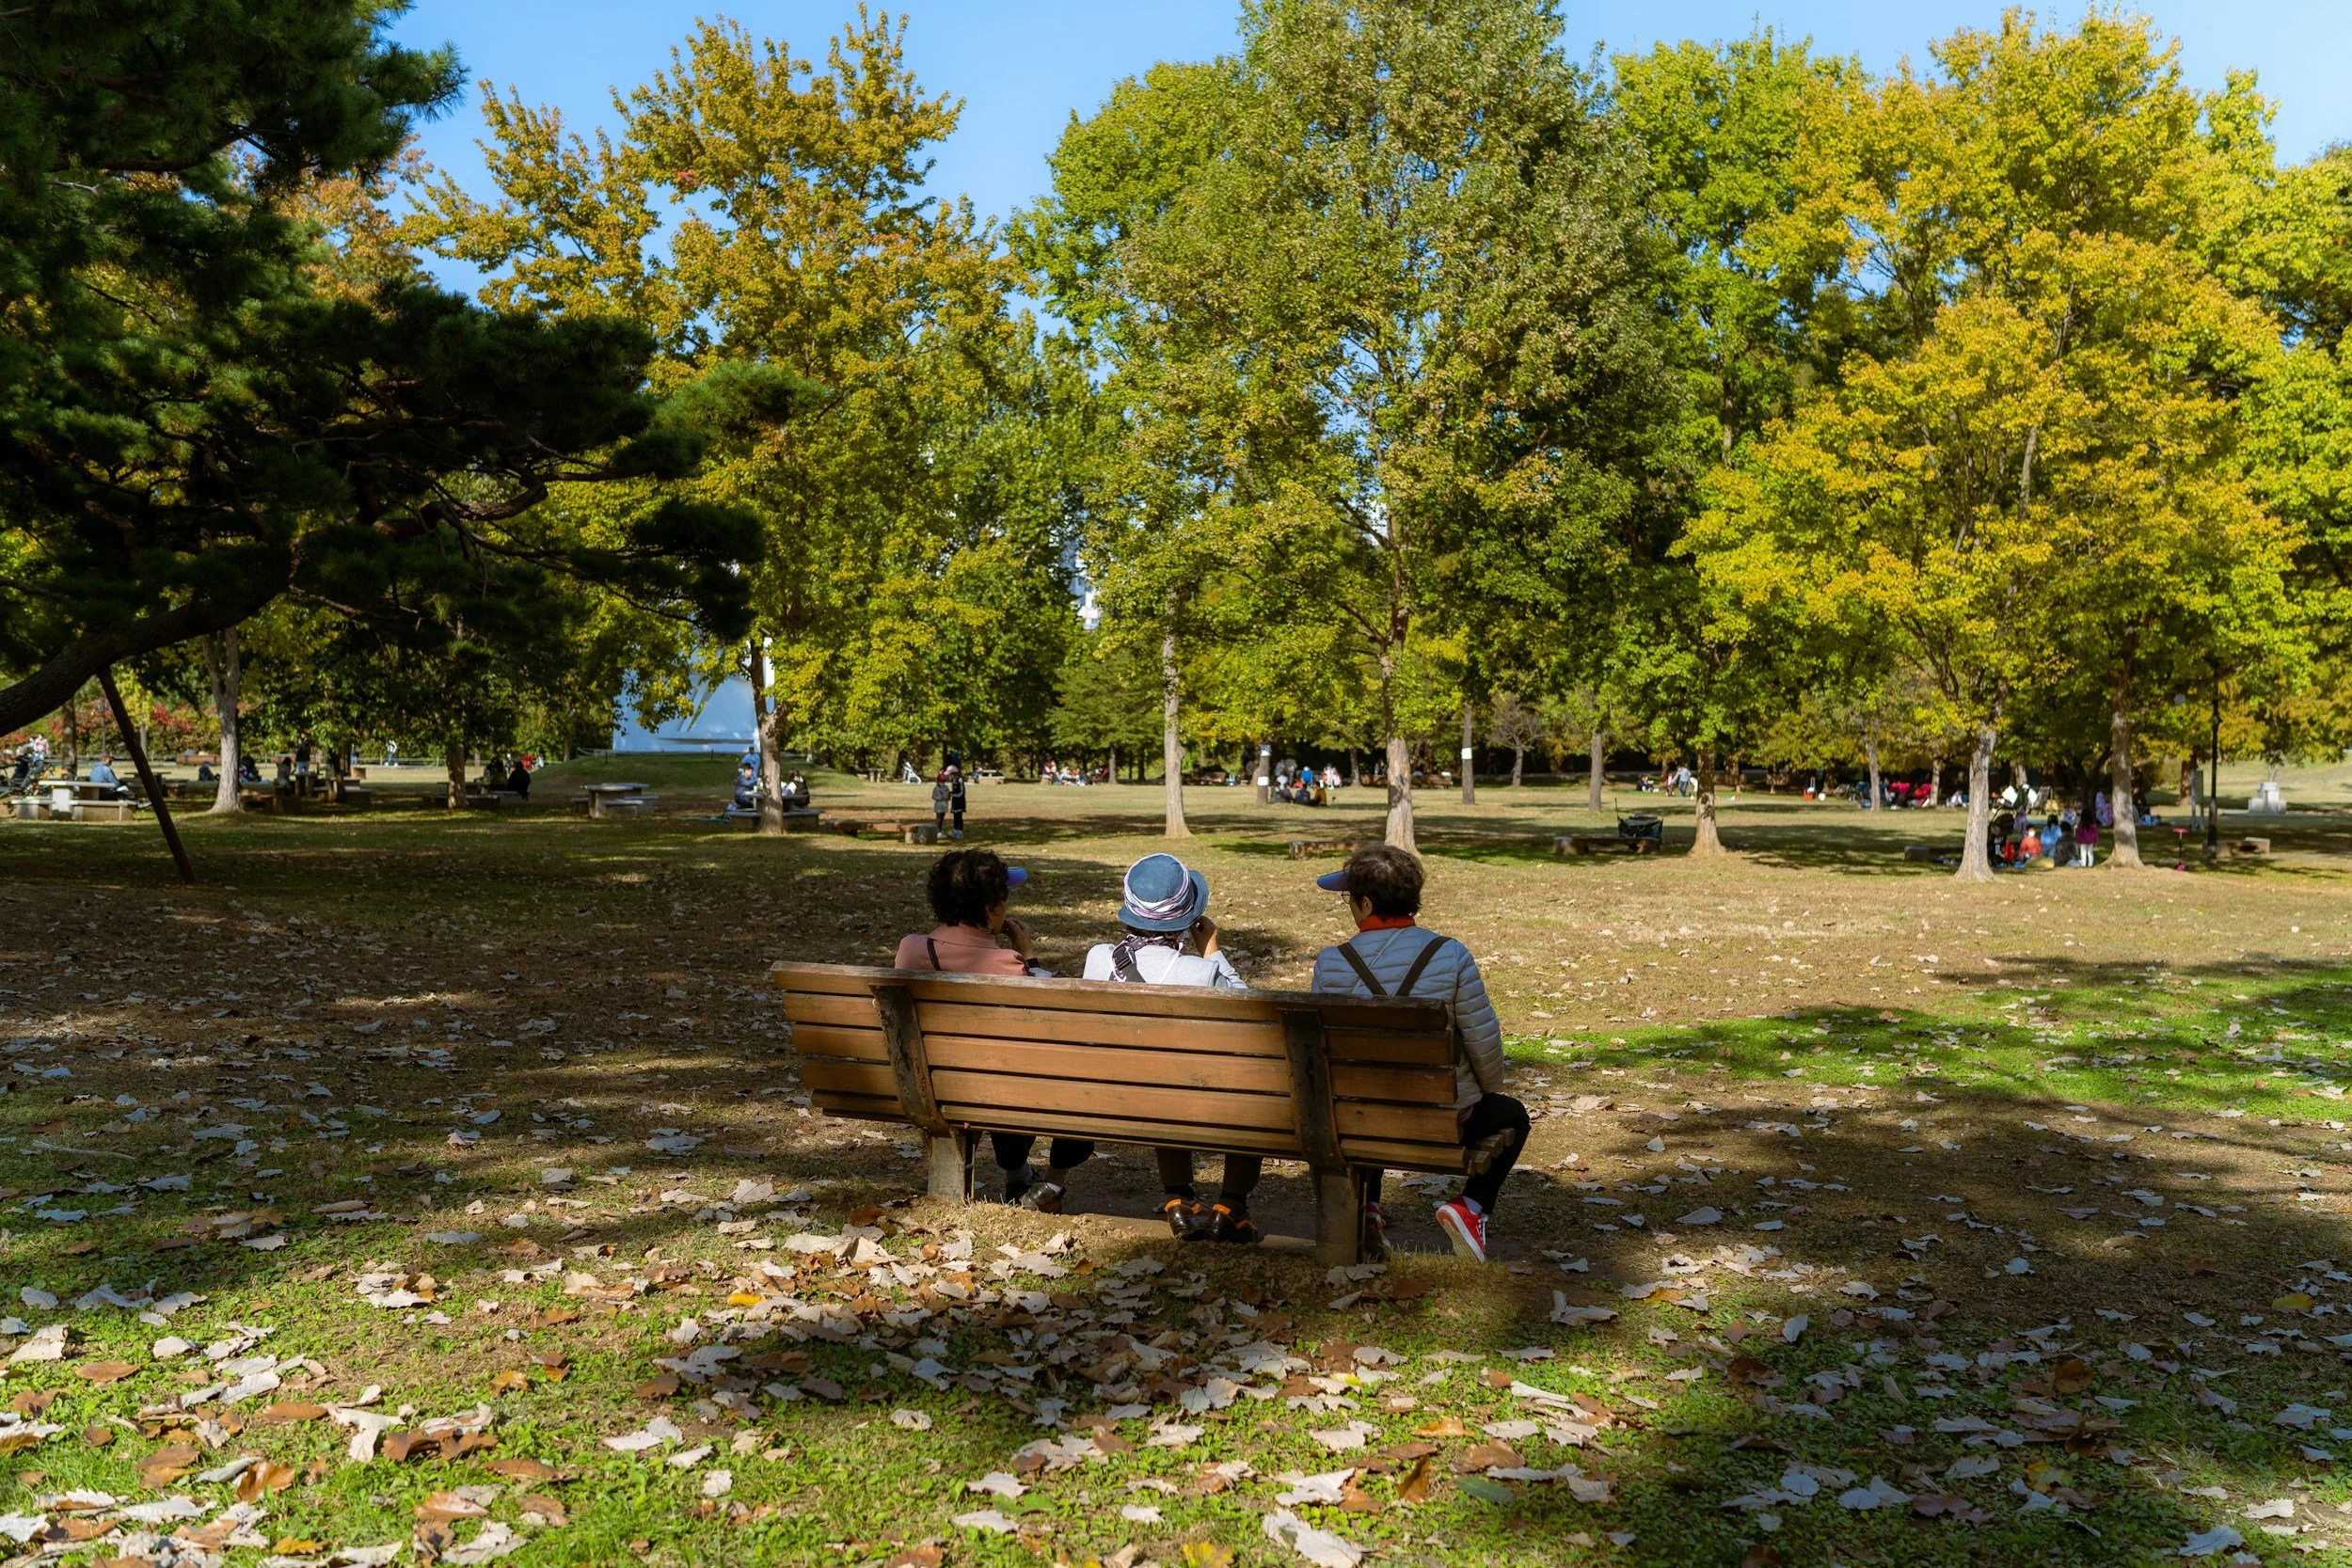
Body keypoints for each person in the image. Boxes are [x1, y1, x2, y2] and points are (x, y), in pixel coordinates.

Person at [1309, 846, 1527, 1263]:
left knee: (1365, 1091)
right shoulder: (1451, 955)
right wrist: (1486, 1090)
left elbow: (1328, 1052)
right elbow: (1484, 1044)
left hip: (1358, 1117)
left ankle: (1367, 1207)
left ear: (1366, 903)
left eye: (1348, 898)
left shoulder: (1331, 962)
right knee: (1512, 1114)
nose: (1348, 905)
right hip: (1441, 1118)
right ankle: (1471, 1207)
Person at [1083, 853, 1262, 1244]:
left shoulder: (1099, 959)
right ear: (1187, 919)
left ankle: (1178, 1198)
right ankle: (1231, 1205)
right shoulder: (1202, 973)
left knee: (1163, 1078)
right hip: (1184, 1098)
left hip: (1106, 1097)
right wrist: (1212, 949)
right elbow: (1251, 1014)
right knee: (1251, 1091)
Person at [893, 850, 1083, 1210]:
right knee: (1019, 1071)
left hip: (927, 1086)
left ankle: (1020, 1177)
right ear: (992, 907)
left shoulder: (911, 950)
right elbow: (1047, 1020)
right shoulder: (1006, 966)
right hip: (992, 1089)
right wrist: (1029, 956)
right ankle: (1042, 1181)